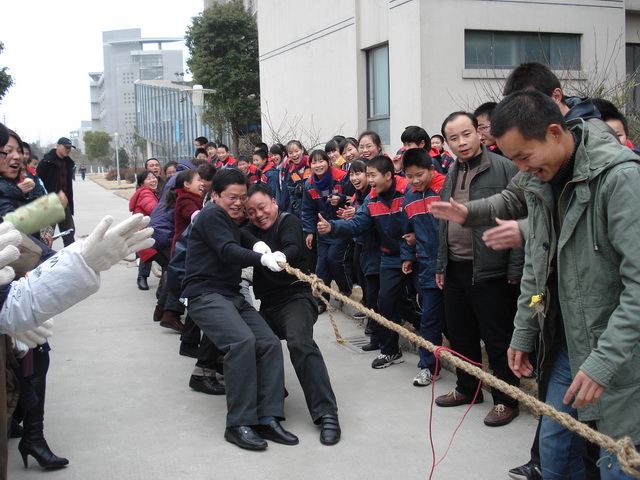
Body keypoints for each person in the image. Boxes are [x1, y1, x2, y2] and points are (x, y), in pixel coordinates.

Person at [491, 89, 640, 480]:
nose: (521, 169)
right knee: (555, 454)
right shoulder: (541, 185)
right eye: (513, 161)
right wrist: (523, 331)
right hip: (565, 345)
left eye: (525, 156)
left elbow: (638, 286)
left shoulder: (620, 178)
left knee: (618, 463)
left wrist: (605, 361)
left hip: (621, 354)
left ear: (555, 132)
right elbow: (536, 269)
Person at [183, 168, 297, 451]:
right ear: (216, 195)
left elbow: (241, 237)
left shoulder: (231, 220)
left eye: (242, 197)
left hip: (229, 294)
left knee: (268, 342)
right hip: (205, 294)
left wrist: (262, 246)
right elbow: (227, 250)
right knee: (241, 342)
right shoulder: (212, 215)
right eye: (232, 197)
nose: (238, 203)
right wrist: (262, 258)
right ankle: (238, 423)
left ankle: (267, 416)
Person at [434, 111, 522, 427]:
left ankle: (507, 399)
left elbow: (520, 218)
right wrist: (441, 264)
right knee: (460, 335)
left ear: (479, 132)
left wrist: (515, 266)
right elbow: (445, 223)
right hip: (456, 269)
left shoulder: (504, 168)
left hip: (492, 271)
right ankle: (467, 389)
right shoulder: (450, 172)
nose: (462, 142)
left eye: (466, 134)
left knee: (497, 339)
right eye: (453, 138)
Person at [243, 183, 341, 445]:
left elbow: (293, 247)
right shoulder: (249, 230)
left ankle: (326, 413)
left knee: (299, 342)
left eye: (261, 207)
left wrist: (280, 256)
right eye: (250, 211)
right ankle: (272, 397)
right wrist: (258, 245)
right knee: (247, 341)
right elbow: (242, 235)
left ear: (274, 202)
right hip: (268, 304)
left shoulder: (289, 221)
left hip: (297, 297)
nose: (258, 214)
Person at [317, 156, 421, 368]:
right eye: (368, 175)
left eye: (372, 175)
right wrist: (333, 227)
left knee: (424, 303)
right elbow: (358, 224)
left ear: (389, 175)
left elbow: (421, 224)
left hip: (418, 255)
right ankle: (390, 350)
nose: (369, 180)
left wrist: (412, 248)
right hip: (391, 257)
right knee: (385, 301)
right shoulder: (371, 200)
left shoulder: (409, 193)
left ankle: (432, 338)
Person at [400, 148, 446, 387]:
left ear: (431, 169)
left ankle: (470, 370)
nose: (416, 180)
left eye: (420, 174)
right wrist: (408, 256)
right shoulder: (410, 196)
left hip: (453, 265)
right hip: (427, 267)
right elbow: (407, 230)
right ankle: (429, 366)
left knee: (459, 321)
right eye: (410, 176)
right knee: (428, 319)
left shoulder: (446, 188)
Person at [301, 150, 354, 313]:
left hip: (341, 228)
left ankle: (345, 288)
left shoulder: (342, 177)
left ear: (328, 162)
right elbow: (307, 209)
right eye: (314, 162)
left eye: (321, 161)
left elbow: (354, 198)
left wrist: (342, 199)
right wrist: (309, 231)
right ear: (310, 165)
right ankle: (321, 300)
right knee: (321, 266)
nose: (318, 165)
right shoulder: (309, 184)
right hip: (322, 231)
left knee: (335, 260)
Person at [36, 137, 76, 246]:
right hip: (50, 204)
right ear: (58, 146)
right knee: (47, 235)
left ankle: (71, 256)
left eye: (69, 148)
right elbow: (37, 182)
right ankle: (44, 257)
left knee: (69, 232)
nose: (68, 150)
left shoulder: (68, 163)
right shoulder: (46, 162)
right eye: (65, 147)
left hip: (64, 203)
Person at [129, 171, 159, 290]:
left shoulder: (149, 192)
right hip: (145, 230)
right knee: (150, 252)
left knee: (149, 253)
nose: (153, 180)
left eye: (154, 177)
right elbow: (154, 209)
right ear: (142, 183)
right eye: (149, 179)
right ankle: (142, 277)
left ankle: (143, 277)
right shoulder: (145, 193)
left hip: (147, 229)